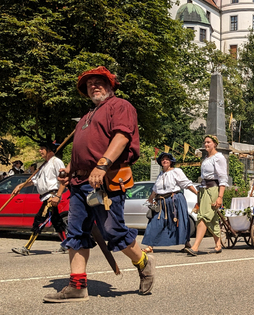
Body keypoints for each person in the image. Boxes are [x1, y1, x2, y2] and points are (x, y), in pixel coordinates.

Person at [43, 66, 153, 303]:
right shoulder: (85, 117)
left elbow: (122, 137)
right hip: (79, 183)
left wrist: (102, 165)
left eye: (99, 81)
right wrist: (68, 171)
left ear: (111, 84)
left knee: (113, 231)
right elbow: (81, 151)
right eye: (89, 83)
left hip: (106, 180)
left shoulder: (121, 106)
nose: (94, 86)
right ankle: (77, 286)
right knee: (76, 232)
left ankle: (142, 261)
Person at [12, 142, 68, 256]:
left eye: (42, 148)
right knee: (56, 221)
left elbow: (64, 179)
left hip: (51, 196)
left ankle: (27, 247)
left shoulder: (56, 162)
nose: (40, 151)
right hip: (45, 196)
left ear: (49, 150)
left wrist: (58, 196)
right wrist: (20, 186)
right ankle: (67, 245)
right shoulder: (43, 165)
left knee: (39, 219)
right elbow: (35, 181)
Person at [141, 152, 199, 253]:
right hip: (162, 202)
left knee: (181, 221)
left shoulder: (177, 171)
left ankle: (187, 243)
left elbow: (186, 183)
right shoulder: (160, 174)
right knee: (155, 222)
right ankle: (150, 246)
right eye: (163, 159)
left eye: (167, 159)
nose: (165, 161)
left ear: (171, 161)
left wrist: (197, 193)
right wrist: (151, 198)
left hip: (175, 200)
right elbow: (155, 189)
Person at [185, 135, 228, 255]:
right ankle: (218, 244)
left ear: (215, 143)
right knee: (212, 218)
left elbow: (223, 178)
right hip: (203, 189)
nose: (206, 144)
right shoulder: (206, 158)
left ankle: (195, 246)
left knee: (203, 217)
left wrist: (220, 197)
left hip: (213, 189)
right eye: (205, 142)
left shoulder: (219, 158)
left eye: (208, 142)